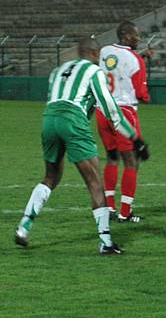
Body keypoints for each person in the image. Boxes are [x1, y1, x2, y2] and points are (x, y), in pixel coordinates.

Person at [14, 37, 149, 255]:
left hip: (49, 118)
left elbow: (57, 98)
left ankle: (24, 227)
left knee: (51, 177)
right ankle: (106, 242)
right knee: (95, 183)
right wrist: (136, 139)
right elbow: (112, 112)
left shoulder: (59, 70)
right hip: (73, 120)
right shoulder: (95, 72)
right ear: (96, 55)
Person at [95, 21, 150, 223]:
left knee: (111, 158)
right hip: (124, 113)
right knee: (132, 161)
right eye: (136, 35)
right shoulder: (136, 60)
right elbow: (142, 94)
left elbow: (116, 67)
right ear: (126, 36)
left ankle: (109, 206)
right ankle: (125, 212)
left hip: (103, 112)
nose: (139, 38)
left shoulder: (104, 51)